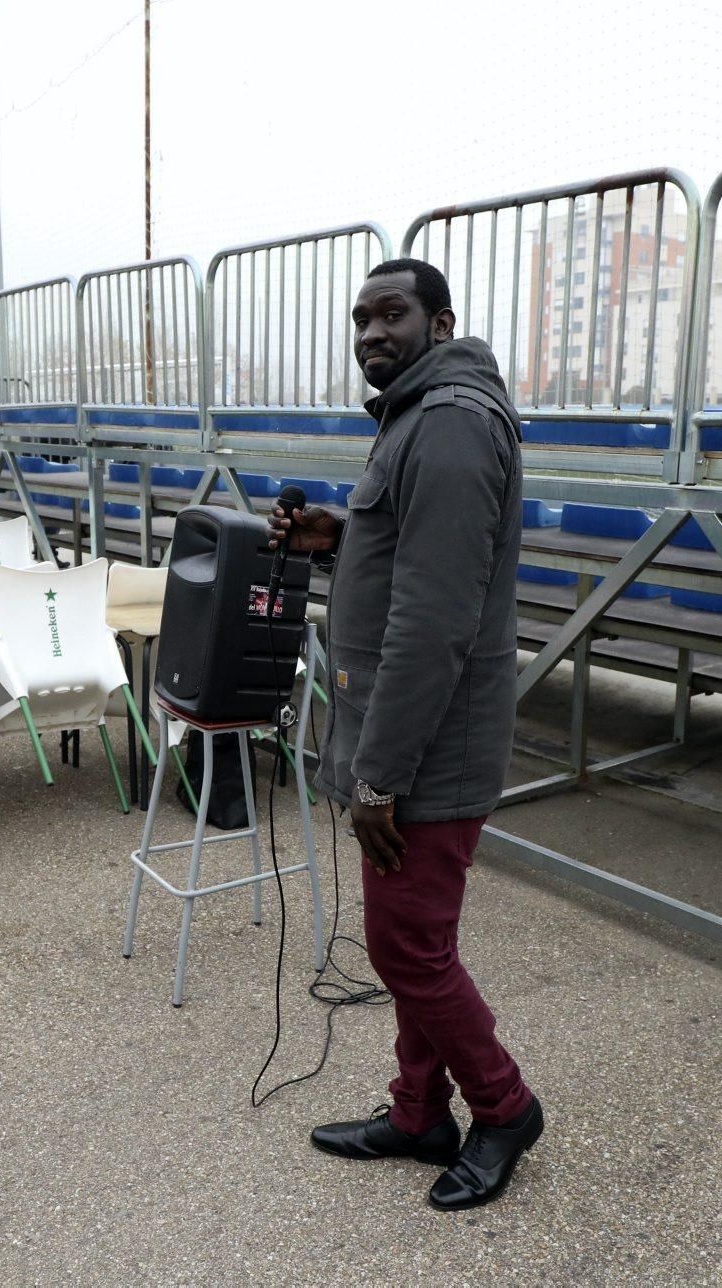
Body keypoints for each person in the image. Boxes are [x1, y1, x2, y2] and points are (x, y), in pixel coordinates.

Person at [268, 257, 542, 1212]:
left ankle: (503, 1108)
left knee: (406, 952)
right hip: (414, 740)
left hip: (429, 749)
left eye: (393, 314)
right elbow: (414, 559)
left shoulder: (454, 427)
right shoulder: (420, 420)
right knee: (423, 937)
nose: (372, 333)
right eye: (361, 318)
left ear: (441, 320)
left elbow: (435, 624)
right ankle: (418, 1114)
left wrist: (379, 778)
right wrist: (343, 536)